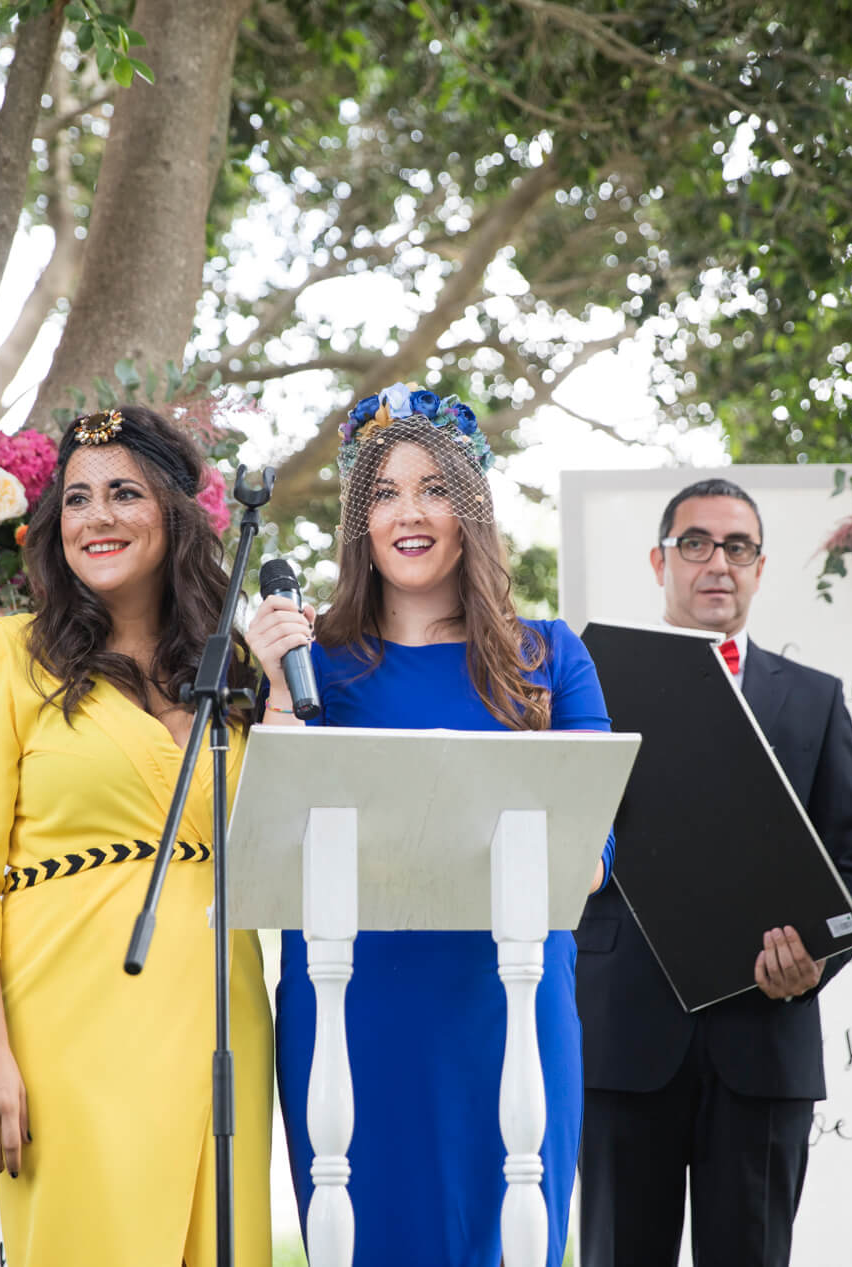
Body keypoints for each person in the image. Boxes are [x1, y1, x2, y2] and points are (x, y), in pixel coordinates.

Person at [246, 383, 616, 1267]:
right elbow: (273, 838)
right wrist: (272, 685)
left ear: (472, 508)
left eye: (434, 488)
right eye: (383, 493)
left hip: (508, 1004)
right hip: (354, 1005)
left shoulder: (549, 656)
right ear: (357, 524)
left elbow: (591, 859)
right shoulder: (312, 665)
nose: (408, 513)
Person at [0, 407, 274, 1266]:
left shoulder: (231, 671)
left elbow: (285, 841)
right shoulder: (7, 657)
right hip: (68, 1026)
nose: (98, 517)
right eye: (77, 499)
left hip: (222, 1022)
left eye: (124, 492)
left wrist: (279, 690)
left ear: (173, 511)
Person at [573, 477, 852, 1267]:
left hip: (765, 1038)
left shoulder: (812, 700)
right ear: (659, 560)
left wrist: (814, 960)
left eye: (737, 546)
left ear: (759, 565)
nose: (718, 561)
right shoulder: (592, 684)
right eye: (696, 543)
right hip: (624, 1033)